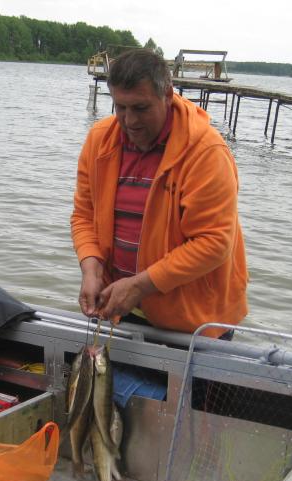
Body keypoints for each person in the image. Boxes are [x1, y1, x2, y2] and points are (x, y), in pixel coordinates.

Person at [70, 49, 248, 335]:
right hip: (120, 308)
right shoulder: (99, 140)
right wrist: (91, 269)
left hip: (193, 319)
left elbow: (214, 242)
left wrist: (140, 286)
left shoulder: (206, 151)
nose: (129, 121)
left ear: (167, 94)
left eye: (140, 108)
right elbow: (84, 215)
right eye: (120, 107)